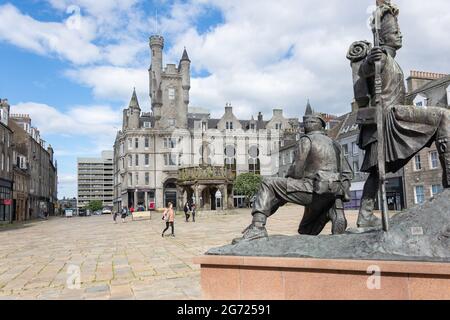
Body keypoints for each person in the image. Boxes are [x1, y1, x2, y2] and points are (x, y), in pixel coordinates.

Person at [349, 1, 450, 228]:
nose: (401, 35)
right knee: (443, 117)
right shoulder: (382, 57)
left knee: (376, 170)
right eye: (395, 32)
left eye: (399, 31)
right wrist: (370, 59)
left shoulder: (393, 61)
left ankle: (365, 214)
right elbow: (365, 70)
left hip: (391, 117)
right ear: (383, 38)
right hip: (387, 118)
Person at [233, 103, 353, 243]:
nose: (307, 123)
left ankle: (257, 227)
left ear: (320, 125)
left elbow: (297, 170)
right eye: (306, 121)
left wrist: (286, 184)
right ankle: (331, 211)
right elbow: (347, 173)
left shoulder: (306, 140)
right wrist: (340, 192)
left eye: (310, 121)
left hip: (311, 189)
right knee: (305, 230)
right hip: (332, 195)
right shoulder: (335, 144)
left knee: (268, 183)